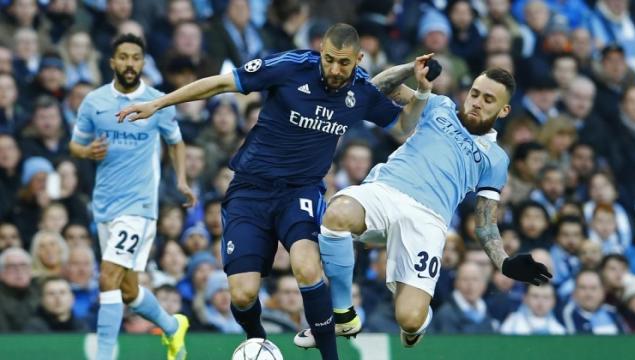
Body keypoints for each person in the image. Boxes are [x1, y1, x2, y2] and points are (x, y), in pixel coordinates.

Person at [117, 23, 432, 360]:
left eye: (343, 62)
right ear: (320, 51)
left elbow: (402, 125)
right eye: (328, 59)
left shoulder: (361, 91)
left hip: (301, 190)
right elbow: (221, 84)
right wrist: (159, 104)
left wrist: (423, 92)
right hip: (250, 190)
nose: (335, 69)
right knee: (242, 295)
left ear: (358, 59)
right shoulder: (290, 67)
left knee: (307, 267)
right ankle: (258, 342)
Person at [294, 67, 552, 349]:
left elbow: (485, 222)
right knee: (337, 213)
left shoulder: (497, 159)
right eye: (474, 94)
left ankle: (419, 319)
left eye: (488, 99)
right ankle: (342, 315)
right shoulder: (439, 105)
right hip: (387, 191)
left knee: (409, 318)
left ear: (504, 111)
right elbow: (375, 87)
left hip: (428, 221)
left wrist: (504, 262)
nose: (477, 102)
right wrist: (412, 74)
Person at [69, 34, 195, 360]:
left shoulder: (157, 102)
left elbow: (176, 141)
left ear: (143, 62)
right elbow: (74, 144)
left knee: (108, 276)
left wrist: (181, 179)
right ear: (112, 62)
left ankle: (105, 356)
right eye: (123, 57)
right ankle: (171, 326)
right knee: (127, 291)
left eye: (135, 57)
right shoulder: (94, 102)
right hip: (105, 205)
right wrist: (87, 151)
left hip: (139, 206)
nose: (129, 63)